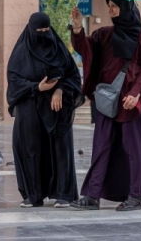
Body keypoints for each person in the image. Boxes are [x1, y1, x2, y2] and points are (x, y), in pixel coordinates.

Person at [69, 0, 141, 212]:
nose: (111, 10)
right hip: (108, 101)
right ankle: (93, 195)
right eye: (109, 7)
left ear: (126, 8)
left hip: (132, 103)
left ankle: (135, 196)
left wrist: (136, 93)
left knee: (134, 150)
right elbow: (87, 51)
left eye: (115, 6)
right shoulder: (105, 34)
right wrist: (78, 28)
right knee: (101, 147)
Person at [7, 12, 84, 208]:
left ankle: (63, 194)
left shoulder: (58, 49)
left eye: (46, 30)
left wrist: (59, 89)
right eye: (38, 31)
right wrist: (37, 88)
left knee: (60, 149)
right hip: (30, 107)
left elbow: (73, 77)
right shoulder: (21, 52)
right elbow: (15, 81)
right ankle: (34, 195)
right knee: (30, 149)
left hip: (56, 109)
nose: (43, 35)